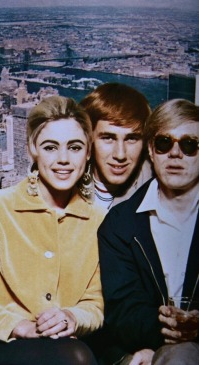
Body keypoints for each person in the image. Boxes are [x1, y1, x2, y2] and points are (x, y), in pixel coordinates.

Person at [0, 96, 105, 365]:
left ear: (88, 152)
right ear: (32, 149)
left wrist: (73, 317)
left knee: (75, 355)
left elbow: (95, 305)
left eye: (74, 147)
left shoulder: (98, 220)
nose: (63, 159)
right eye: (50, 147)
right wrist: (19, 326)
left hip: (66, 348)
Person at [98, 98, 199, 365]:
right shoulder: (119, 225)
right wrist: (167, 328)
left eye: (189, 145)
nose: (175, 154)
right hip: (162, 351)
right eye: (164, 143)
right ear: (151, 152)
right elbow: (122, 311)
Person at [80, 82, 152, 210]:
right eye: (108, 138)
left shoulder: (156, 190)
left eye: (131, 139)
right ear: (89, 138)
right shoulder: (66, 184)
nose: (120, 154)